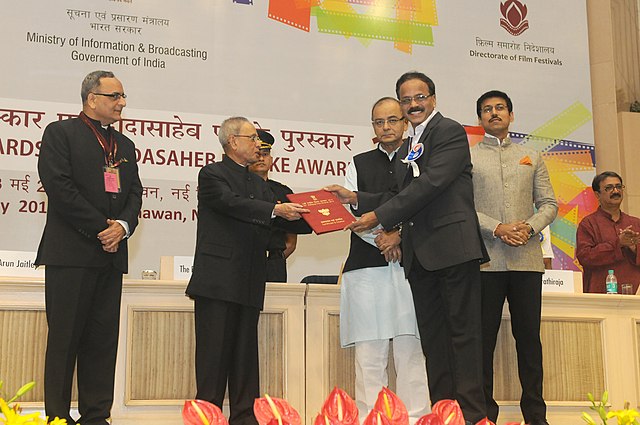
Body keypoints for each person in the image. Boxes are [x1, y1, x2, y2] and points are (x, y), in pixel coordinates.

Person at [326, 71, 488, 423]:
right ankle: (443, 414)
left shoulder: (448, 131)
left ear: (433, 98)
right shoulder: (413, 141)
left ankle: (473, 417)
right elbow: (400, 193)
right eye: (406, 99)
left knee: (463, 338)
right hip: (421, 256)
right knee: (434, 341)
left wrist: (377, 217)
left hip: (452, 248)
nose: (413, 104)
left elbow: (431, 184)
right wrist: (357, 198)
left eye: (420, 97)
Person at [186, 117, 310, 425]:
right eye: (253, 138)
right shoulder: (212, 173)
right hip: (217, 279)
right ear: (233, 142)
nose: (259, 145)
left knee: (245, 356)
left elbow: (283, 220)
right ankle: (207, 416)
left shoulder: (259, 184)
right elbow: (231, 204)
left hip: (251, 277)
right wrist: (274, 209)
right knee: (213, 356)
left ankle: (244, 417)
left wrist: (327, 215)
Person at [35, 70, 143, 425]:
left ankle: (97, 416)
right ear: (91, 98)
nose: (121, 103)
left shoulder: (124, 146)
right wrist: (102, 228)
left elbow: (134, 195)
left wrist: (123, 227)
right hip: (71, 254)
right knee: (65, 340)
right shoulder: (60, 133)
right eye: (115, 96)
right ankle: (57, 416)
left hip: (110, 257)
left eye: (123, 96)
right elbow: (60, 188)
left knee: (102, 341)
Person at [470, 90, 557, 425]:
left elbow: (549, 204)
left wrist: (529, 228)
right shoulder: (470, 158)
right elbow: (464, 207)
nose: (494, 113)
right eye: (487, 110)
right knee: (482, 342)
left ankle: (536, 416)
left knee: (529, 341)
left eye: (500, 108)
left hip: (527, 262)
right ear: (480, 119)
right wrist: (499, 228)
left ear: (511, 115)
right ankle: (483, 415)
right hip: (486, 261)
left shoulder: (531, 156)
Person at [340, 97, 430, 423]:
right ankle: (369, 419)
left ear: (406, 122)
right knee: (369, 355)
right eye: (379, 122)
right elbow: (350, 213)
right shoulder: (358, 162)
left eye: (393, 120)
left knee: (411, 352)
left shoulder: (422, 159)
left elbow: (428, 206)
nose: (387, 127)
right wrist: (383, 239)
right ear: (373, 127)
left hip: (412, 268)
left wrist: (399, 237)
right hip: (366, 268)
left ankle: (418, 418)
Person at [576, 171, 640, 293]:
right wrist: (618, 244)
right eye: (609, 188)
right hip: (600, 296)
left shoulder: (636, 223)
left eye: (618, 187)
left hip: (635, 296)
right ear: (597, 194)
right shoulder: (588, 224)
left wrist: (634, 248)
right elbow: (585, 257)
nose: (615, 191)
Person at [248, 129, 299, 282]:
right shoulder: (237, 189)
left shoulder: (284, 192)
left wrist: (275, 259)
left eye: (265, 154)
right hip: (244, 262)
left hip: (274, 263)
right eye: (257, 154)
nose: (261, 158)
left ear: (271, 159)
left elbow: (291, 240)